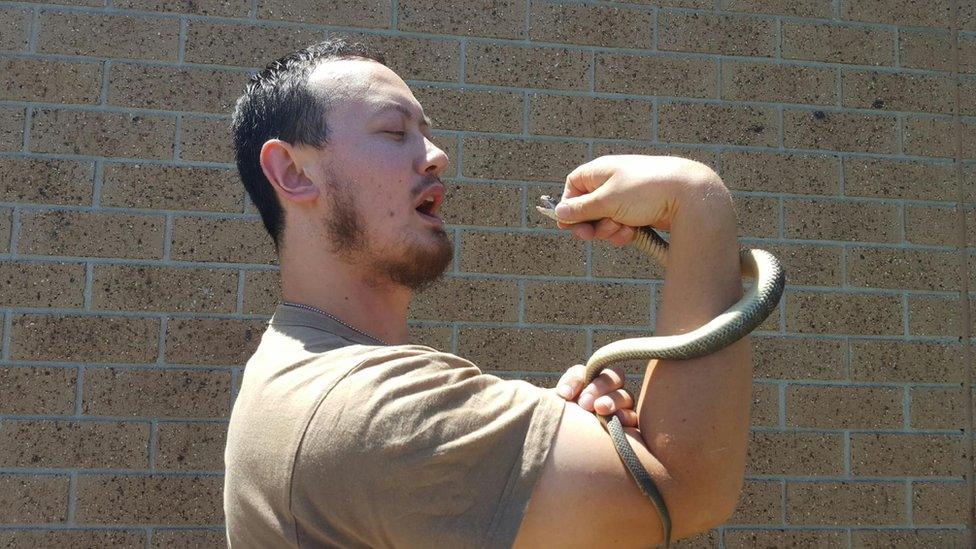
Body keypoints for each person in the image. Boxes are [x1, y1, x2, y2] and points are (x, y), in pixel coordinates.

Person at [224, 39, 751, 548]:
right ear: (292, 173)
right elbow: (686, 487)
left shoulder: (300, 369)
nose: (435, 156)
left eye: (425, 134)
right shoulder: (363, 408)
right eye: (393, 131)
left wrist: (546, 434)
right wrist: (697, 202)